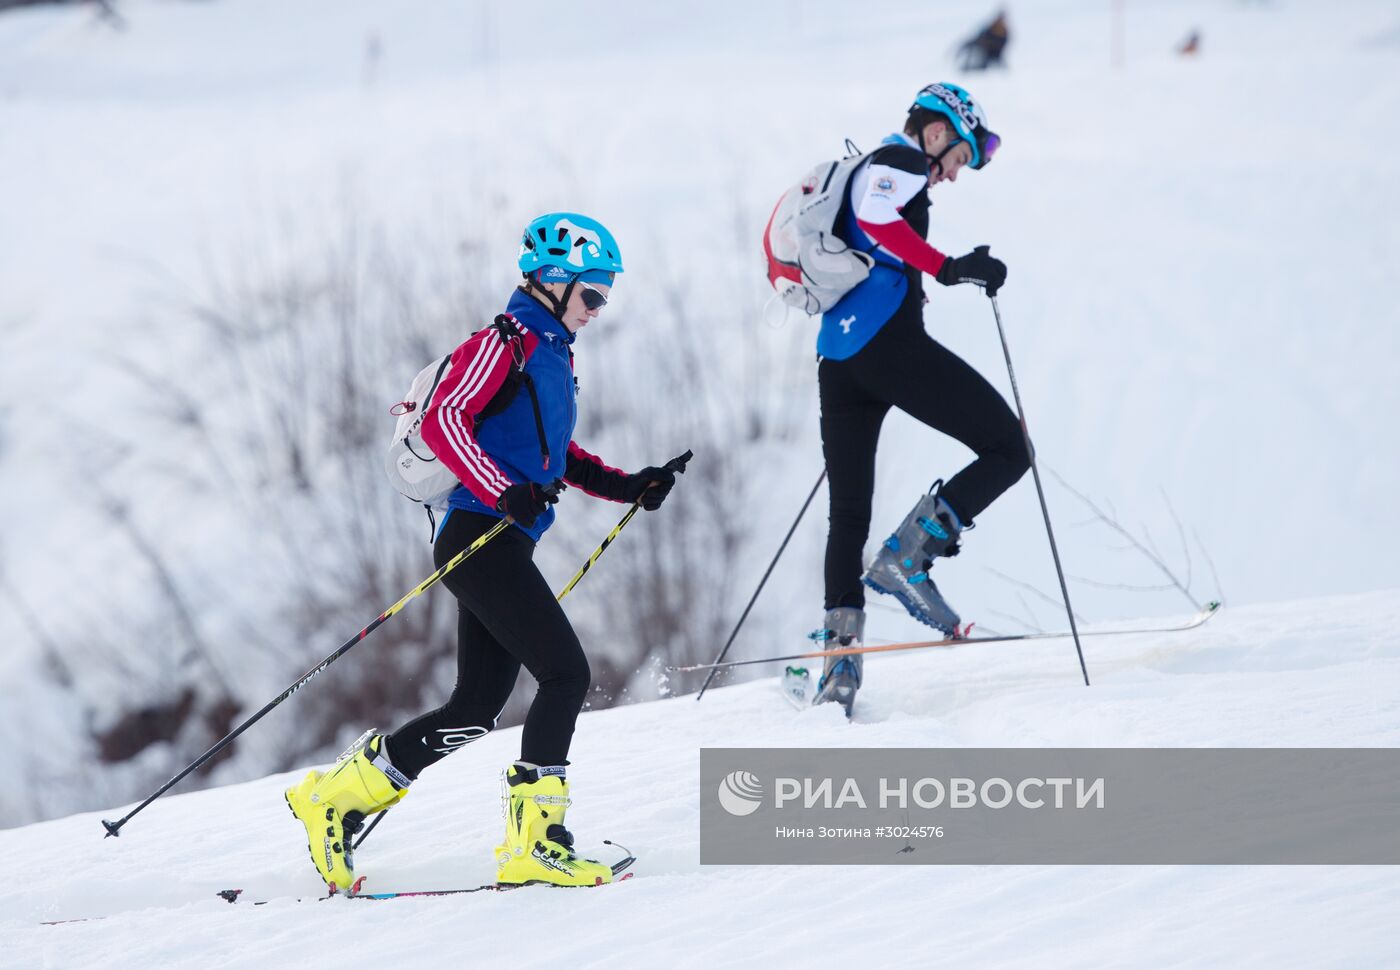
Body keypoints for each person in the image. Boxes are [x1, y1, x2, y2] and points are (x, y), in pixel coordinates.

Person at [286, 213, 680, 891]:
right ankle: (537, 842)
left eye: (606, 295)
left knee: (474, 706)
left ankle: (335, 799)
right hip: (477, 539)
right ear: (555, 282)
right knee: (565, 675)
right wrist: (501, 491)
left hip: (502, 543)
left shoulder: (552, 352)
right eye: (594, 293)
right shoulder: (506, 342)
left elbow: (554, 457)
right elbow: (444, 422)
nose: (600, 307)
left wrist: (629, 485)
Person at [811, 83, 1027, 714]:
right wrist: (946, 266)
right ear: (938, 133)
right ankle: (909, 556)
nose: (955, 175)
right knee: (1009, 447)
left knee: (847, 516)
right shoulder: (900, 162)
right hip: (889, 351)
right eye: (959, 158)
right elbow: (880, 222)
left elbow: (870, 237)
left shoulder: (869, 168)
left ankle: (839, 668)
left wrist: (918, 278)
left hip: (838, 361)